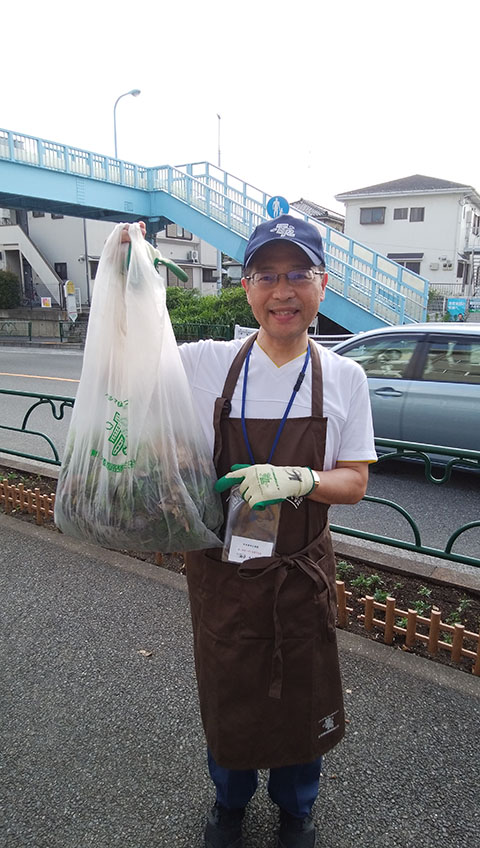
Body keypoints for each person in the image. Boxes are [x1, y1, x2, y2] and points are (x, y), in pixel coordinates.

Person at [123, 216, 377, 848]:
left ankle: (297, 811)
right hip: (224, 577)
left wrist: (299, 477)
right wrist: (130, 276)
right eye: (267, 275)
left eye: (298, 274)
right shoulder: (206, 364)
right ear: (246, 287)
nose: (282, 290)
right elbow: (129, 352)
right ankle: (228, 806)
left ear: (323, 284)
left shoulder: (345, 378)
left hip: (299, 572)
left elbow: (353, 482)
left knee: (300, 693)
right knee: (231, 694)